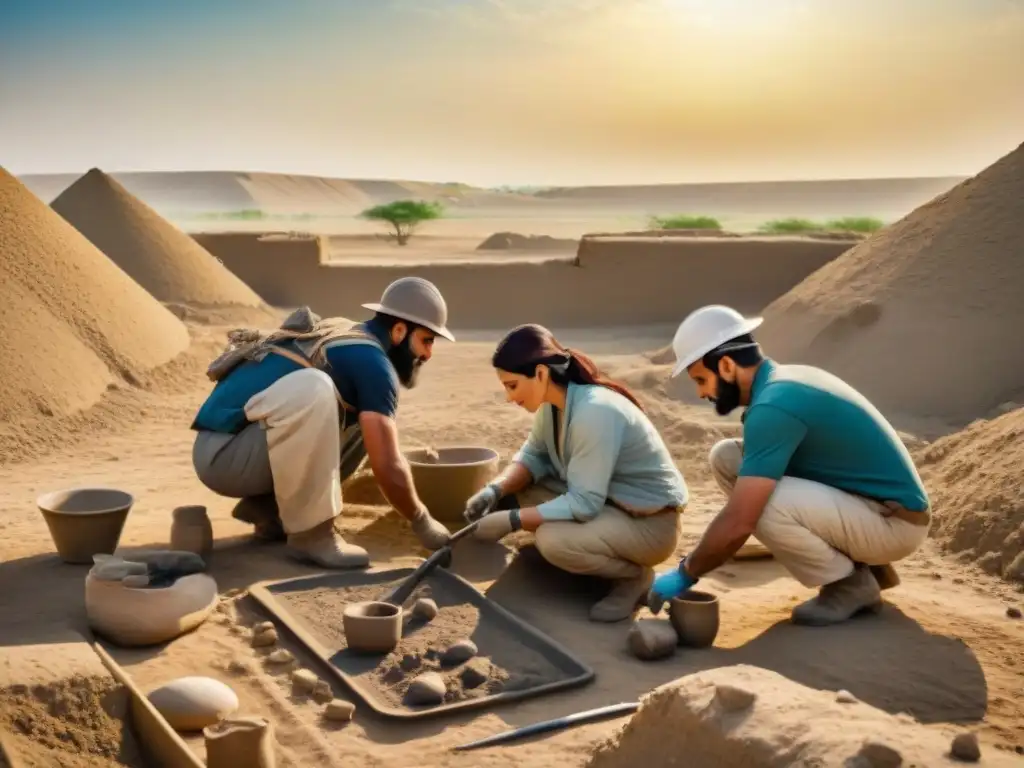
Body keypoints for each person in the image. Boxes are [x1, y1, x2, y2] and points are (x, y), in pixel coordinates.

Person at [646, 304, 931, 626]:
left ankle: (848, 585)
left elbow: (740, 521)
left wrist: (685, 573)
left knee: (761, 507)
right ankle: (861, 566)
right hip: (876, 508)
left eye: (701, 379)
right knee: (729, 458)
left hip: (895, 525)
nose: (701, 393)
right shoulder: (788, 379)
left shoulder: (774, 406)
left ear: (726, 365)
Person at [190, 277, 455, 569]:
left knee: (359, 423)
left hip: (241, 443)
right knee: (315, 389)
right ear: (400, 330)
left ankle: (270, 511)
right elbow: (387, 464)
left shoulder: (351, 336)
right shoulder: (372, 362)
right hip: (224, 455)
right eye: (426, 340)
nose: (428, 354)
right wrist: (421, 520)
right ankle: (312, 534)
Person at [465, 324, 689, 623]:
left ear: (542, 374)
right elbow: (534, 456)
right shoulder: (553, 406)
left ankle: (633, 578)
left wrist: (513, 519)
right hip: (610, 505)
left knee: (554, 541)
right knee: (520, 488)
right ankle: (579, 559)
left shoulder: (595, 411)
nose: (508, 397)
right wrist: (495, 490)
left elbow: (584, 504)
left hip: (649, 526)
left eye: (512, 386)